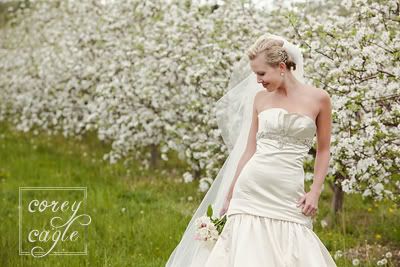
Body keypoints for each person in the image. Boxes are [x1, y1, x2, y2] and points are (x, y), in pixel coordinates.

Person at [165, 33, 337, 267]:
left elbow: (324, 149)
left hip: (289, 192)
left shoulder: (319, 99)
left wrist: (315, 192)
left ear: (282, 67)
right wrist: (229, 195)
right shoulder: (260, 99)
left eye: (261, 73)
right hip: (250, 190)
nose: (258, 80)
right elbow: (249, 150)